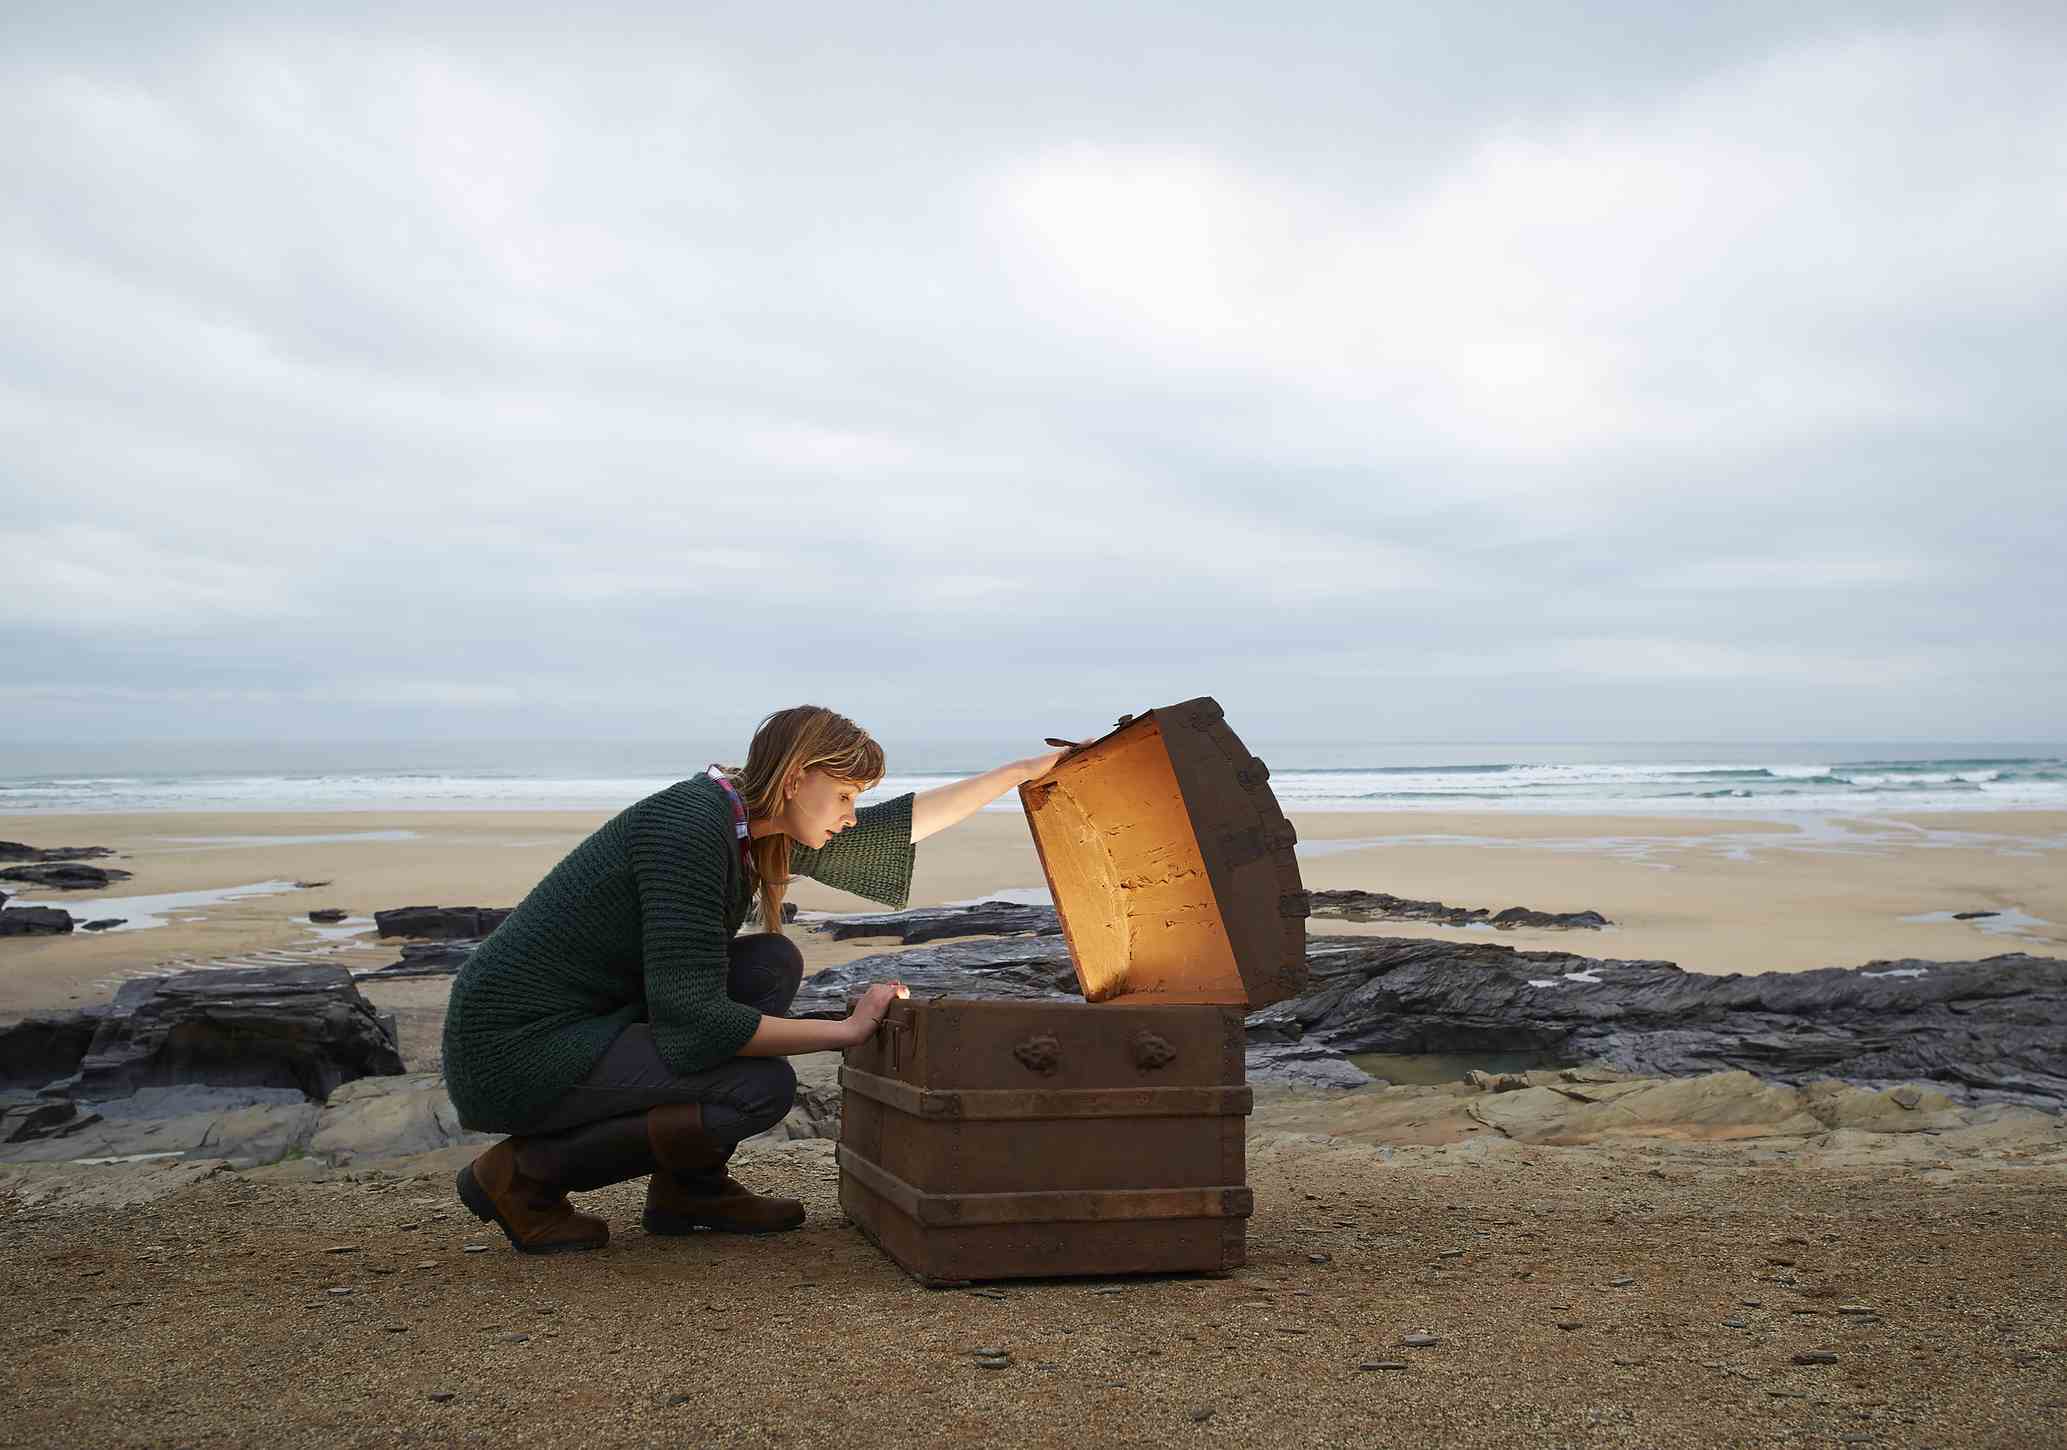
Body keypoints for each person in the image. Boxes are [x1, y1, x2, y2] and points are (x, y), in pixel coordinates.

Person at [441, 705, 1066, 1253]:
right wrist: (843, 1031)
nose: (852, 816)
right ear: (797, 779)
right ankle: (523, 1176)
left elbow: (893, 832)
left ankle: (689, 1191)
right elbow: (694, 1022)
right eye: (845, 796)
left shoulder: (744, 825)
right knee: (758, 1088)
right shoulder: (689, 827)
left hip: (583, 1024)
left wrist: (1012, 775)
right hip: (516, 1049)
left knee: (771, 961)